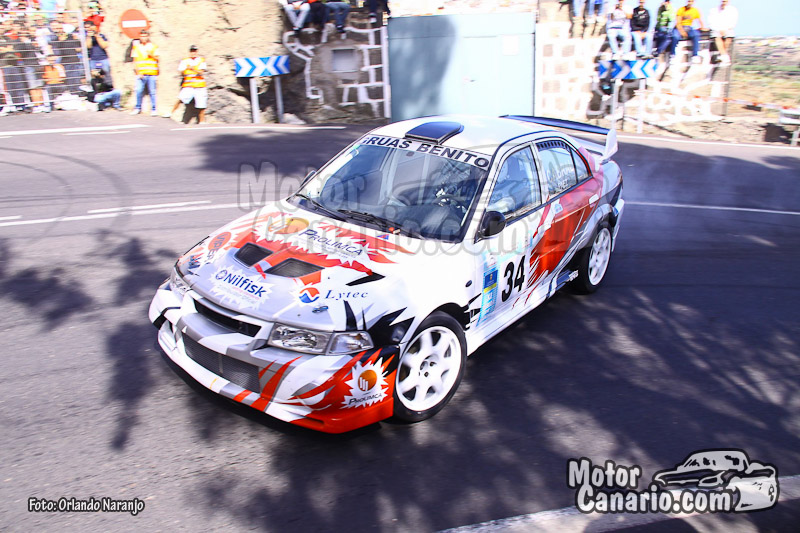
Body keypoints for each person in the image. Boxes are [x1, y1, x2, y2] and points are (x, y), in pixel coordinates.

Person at [164, 44, 207, 123]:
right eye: (192, 51)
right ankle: (170, 113)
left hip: (199, 86)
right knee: (180, 99)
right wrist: (185, 69)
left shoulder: (201, 60)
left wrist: (193, 69)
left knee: (201, 105)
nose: (193, 53)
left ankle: (202, 121)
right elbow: (181, 72)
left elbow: (201, 72)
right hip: (188, 85)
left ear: (197, 52)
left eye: (195, 51)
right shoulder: (185, 61)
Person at [130, 29, 159, 115]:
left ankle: (154, 109)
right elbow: (135, 61)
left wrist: (151, 54)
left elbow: (158, 58)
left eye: (145, 36)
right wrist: (138, 72)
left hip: (151, 73)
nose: (143, 38)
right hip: (141, 73)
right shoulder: (137, 47)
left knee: (152, 92)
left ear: (148, 36)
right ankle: (137, 108)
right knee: (138, 90)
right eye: (142, 36)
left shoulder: (153, 46)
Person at [708, 0, 737, 65]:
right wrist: (719, 29)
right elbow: (711, 22)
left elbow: (733, 22)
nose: (724, 3)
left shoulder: (733, 10)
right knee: (716, 36)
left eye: (725, 1)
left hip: (727, 28)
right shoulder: (714, 10)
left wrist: (725, 29)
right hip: (716, 29)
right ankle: (724, 56)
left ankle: (723, 55)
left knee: (729, 36)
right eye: (723, 1)